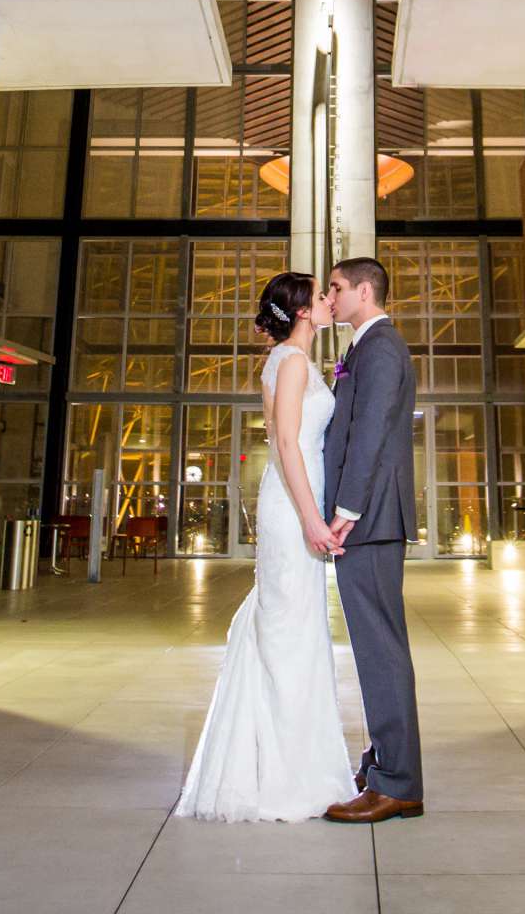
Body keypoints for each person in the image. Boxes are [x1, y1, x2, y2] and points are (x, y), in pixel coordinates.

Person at [173, 271, 354, 822]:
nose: (328, 301)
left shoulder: (284, 362)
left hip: (291, 504)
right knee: (290, 631)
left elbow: (284, 445)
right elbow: (288, 450)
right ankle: (283, 774)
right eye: (321, 296)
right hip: (292, 507)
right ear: (302, 312)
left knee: (288, 627)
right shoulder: (293, 364)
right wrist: (311, 521)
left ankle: (279, 758)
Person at [318, 256, 426, 823]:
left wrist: (347, 508)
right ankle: (384, 761)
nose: (330, 297)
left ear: (364, 290)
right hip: (371, 518)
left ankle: (399, 782)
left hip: (371, 519)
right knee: (377, 647)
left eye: (336, 287)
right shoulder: (366, 347)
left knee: (381, 649)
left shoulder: (381, 347)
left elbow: (371, 432)